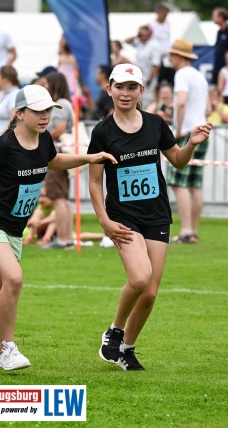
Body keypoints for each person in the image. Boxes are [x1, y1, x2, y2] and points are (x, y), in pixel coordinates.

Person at [0, 84, 117, 370]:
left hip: (14, 230)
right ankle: (7, 349)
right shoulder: (4, 145)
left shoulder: (44, 141)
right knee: (13, 279)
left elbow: (54, 162)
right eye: (38, 111)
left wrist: (89, 158)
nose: (45, 116)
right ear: (20, 114)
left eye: (49, 110)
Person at [87, 63, 212, 371]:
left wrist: (192, 145)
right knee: (140, 277)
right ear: (110, 89)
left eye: (132, 88)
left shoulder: (155, 124)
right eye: (119, 87)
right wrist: (103, 220)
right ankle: (115, 331)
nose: (125, 93)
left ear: (141, 91)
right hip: (122, 216)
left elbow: (179, 162)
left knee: (151, 292)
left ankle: (127, 349)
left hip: (156, 215)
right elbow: (93, 182)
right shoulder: (102, 131)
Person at [166, 39, 209, 244]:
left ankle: (185, 230)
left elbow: (181, 102)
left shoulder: (182, 74)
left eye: (172, 54)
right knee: (194, 184)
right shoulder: (199, 76)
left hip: (188, 132)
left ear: (179, 56)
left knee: (177, 183)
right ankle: (193, 230)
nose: (170, 58)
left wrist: (179, 129)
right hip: (203, 129)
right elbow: (208, 108)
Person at [41, 71, 75, 248]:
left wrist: (42, 139)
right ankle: (67, 237)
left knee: (57, 197)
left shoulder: (60, 104)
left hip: (57, 153)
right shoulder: (66, 103)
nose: (45, 88)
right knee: (62, 197)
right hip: (63, 152)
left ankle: (62, 238)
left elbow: (60, 128)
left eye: (47, 85)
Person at [126, 25, 161, 109]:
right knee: (138, 99)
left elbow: (156, 65)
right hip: (139, 77)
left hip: (148, 79)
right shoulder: (140, 43)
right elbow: (126, 41)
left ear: (149, 34)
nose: (140, 35)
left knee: (148, 101)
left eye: (143, 33)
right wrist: (137, 35)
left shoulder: (154, 46)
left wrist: (150, 80)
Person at [0, 65, 20, 141]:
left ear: (5, 79)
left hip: (2, 142)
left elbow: (13, 124)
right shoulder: (2, 93)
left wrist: (0, 140)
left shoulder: (14, 94)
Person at [150, 2, 175, 85]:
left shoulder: (167, 24)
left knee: (171, 80)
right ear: (159, 13)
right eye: (164, 13)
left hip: (167, 57)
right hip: (157, 58)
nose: (166, 16)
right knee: (158, 82)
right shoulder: (152, 25)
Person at [211, 8, 228, 85]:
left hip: (225, 69)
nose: (213, 18)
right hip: (217, 67)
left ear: (221, 18)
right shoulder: (219, 32)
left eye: (214, 16)